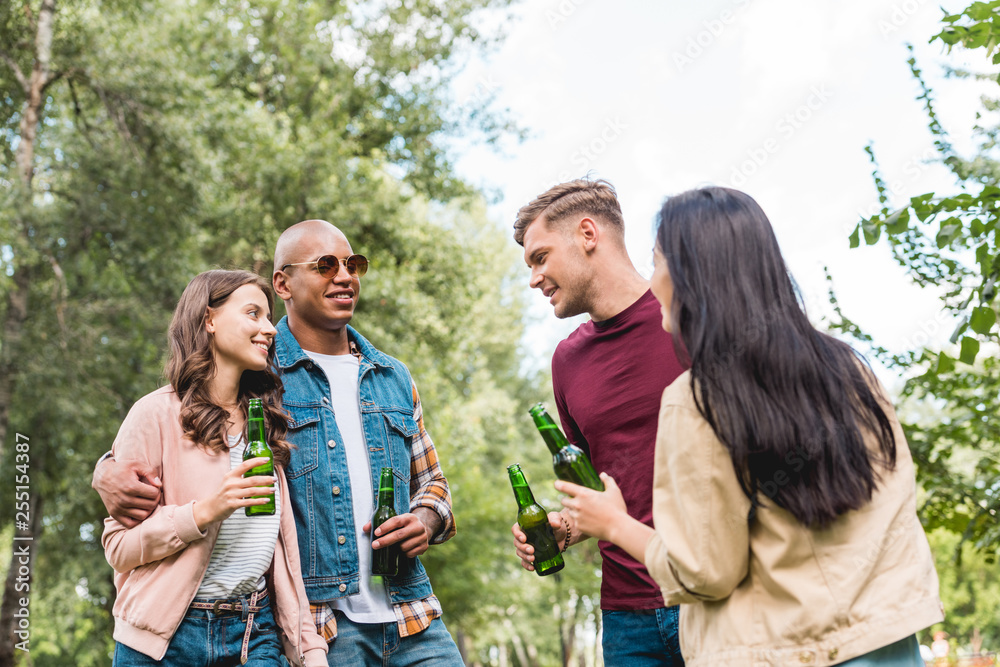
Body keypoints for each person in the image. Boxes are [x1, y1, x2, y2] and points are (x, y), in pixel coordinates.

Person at [558, 186, 944, 667]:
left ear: (692, 274)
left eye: (658, 264)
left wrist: (615, 524)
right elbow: (892, 502)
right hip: (885, 643)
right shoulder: (848, 367)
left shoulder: (697, 398)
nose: (653, 283)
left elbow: (706, 571)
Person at [95, 221, 464, 666]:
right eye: (326, 265)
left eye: (353, 264)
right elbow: (183, 414)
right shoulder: (260, 374)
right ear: (282, 283)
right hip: (326, 623)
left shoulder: (393, 377)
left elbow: (434, 484)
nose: (344, 276)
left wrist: (425, 520)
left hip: (413, 614)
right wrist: (107, 469)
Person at [102, 270, 327, 666]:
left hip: (254, 636)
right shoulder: (154, 414)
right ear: (208, 320)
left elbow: (284, 556)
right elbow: (119, 550)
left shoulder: (267, 420)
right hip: (165, 641)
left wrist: (309, 650)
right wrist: (205, 511)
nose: (268, 329)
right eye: (253, 313)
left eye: (267, 316)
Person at [510, 179, 687, 666]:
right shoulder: (568, 360)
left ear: (588, 233)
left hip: (707, 593)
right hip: (627, 619)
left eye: (540, 258)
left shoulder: (690, 319)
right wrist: (562, 529)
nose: (534, 279)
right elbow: (600, 488)